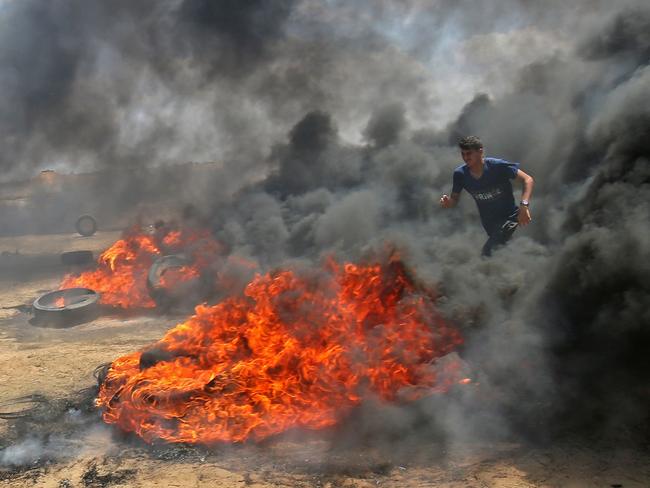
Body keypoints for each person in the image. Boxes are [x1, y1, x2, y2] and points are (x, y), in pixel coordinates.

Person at [440, 136, 534, 256]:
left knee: (487, 253)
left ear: (480, 151)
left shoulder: (497, 166)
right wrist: (448, 202)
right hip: (490, 225)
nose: (465, 158)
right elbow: (454, 199)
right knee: (505, 253)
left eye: (469, 153)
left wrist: (524, 206)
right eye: (463, 154)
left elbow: (527, 179)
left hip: (510, 218)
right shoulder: (460, 174)